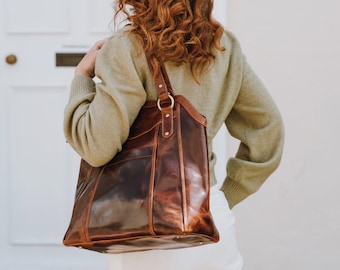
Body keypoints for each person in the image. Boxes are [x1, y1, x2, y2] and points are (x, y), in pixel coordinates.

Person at [63, 0, 284, 269]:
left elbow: (95, 146)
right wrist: (224, 196)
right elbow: (267, 128)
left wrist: (82, 76)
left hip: (142, 231)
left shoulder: (126, 46)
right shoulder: (224, 46)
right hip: (208, 219)